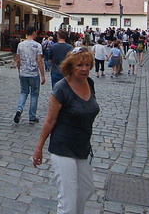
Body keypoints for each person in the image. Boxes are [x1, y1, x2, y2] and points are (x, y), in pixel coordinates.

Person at [32, 46, 100, 214]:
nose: (84, 69)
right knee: (68, 201)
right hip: (63, 147)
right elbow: (50, 120)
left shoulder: (89, 83)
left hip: (82, 147)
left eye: (87, 65)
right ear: (70, 66)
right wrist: (39, 148)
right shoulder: (62, 88)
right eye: (79, 65)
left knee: (86, 190)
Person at [14, 26, 46, 124]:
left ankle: (19, 109)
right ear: (33, 33)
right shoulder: (37, 45)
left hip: (24, 72)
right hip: (33, 73)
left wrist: (19, 71)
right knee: (34, 95)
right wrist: (43, 75)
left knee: (23, 92)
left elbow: (18, 60)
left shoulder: (20, 45)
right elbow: (39, 61)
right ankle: (32, 116)